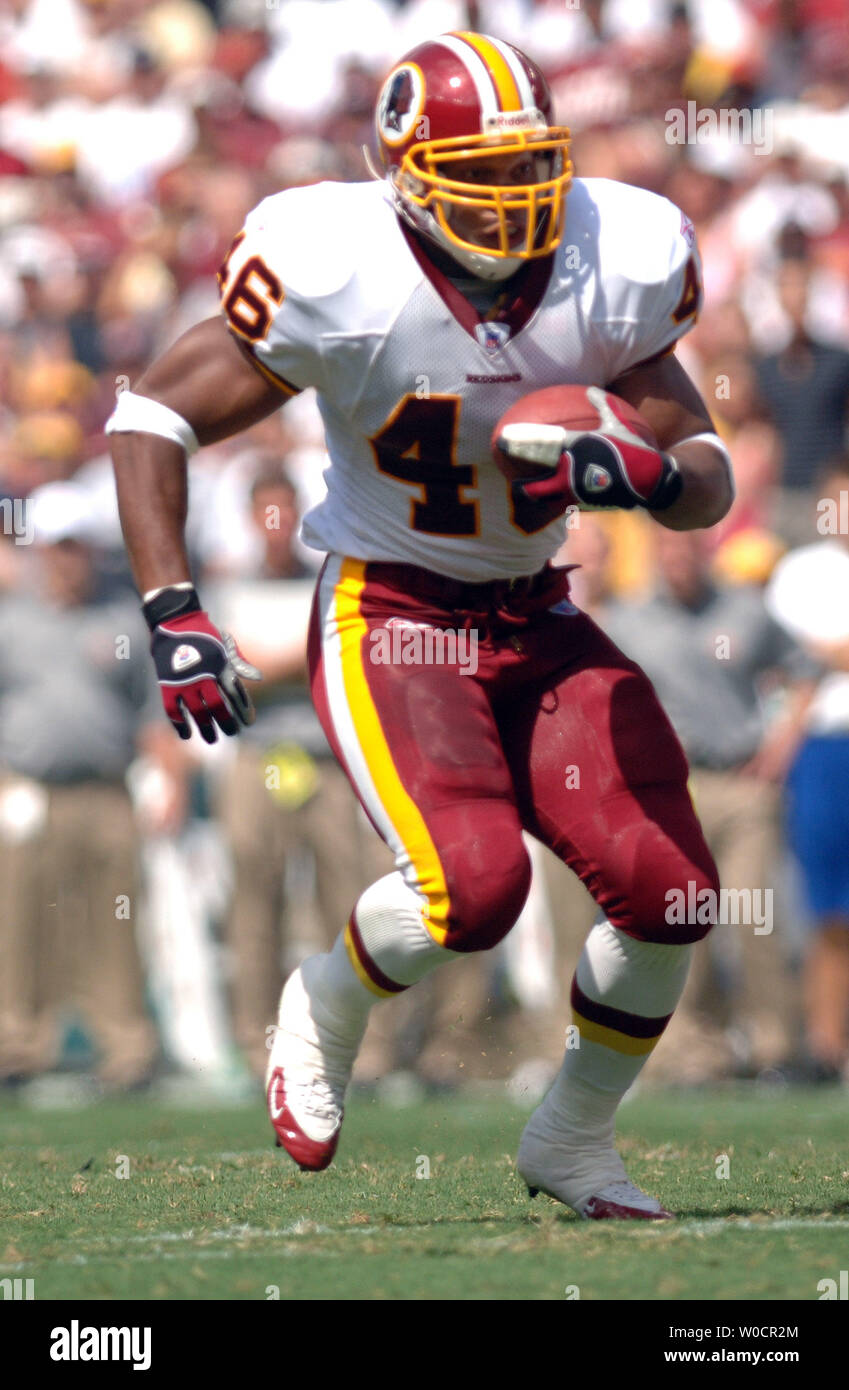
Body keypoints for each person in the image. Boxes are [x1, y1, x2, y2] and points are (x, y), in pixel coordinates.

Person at [108, 32, 733, 1220]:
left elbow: (704, 469)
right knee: (470, 889)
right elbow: (151, 416)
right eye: (480, 177)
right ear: (403, 173)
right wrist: (173, 610)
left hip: (539, 612)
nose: (514, 202)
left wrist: (645, 475)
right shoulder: (331, 261)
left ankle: (575, 1138)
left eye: (529, 170)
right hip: (393, 608)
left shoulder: (623, 250)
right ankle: (322, 1007)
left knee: (676, 897)